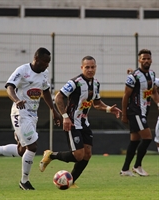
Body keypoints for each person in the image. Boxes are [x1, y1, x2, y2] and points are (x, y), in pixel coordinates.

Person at [0, 47, 61, 190]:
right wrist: (17, 100)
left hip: (33, 115)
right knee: (32, 147)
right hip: (20, 113)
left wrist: (53, 110)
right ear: (36, 59)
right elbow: (9, 87)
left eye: (48, 62)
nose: (47, 65)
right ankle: (24, 181)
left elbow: (45, 91)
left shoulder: (44, 73)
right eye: (45, 62)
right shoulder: (23, 71)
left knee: (21, 151)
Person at [39, 55, 122, 187]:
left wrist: (108, 109)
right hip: (72, 122)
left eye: (92, 67)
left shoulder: (96, 83)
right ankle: (51, 155)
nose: (90, 70)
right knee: (78, 155)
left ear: (96, 68)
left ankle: (70, 181)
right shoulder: (74, 82)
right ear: (82, 67)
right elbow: (58, 97)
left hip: (84, 123)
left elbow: (96, 103)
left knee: (87, 154)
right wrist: (65, 117)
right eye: (87, 67)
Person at [120, 49, 157, 177]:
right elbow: (125, 96)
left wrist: (158, 103)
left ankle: (125, 169)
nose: (146, 61)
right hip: (135, 111)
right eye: (143, 59)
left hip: (144, 111)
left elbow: (153, 92)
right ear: (139, 60)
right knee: (147, 138)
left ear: (151, 60)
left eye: (148, 58)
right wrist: (124, 114)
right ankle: (137, 166)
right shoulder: (133, 76)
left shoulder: (152, 75)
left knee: (135, 140)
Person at [127, 68, 159, 154]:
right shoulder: (152, 78)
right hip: (137, 110)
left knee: (142, 139)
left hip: (141, 111)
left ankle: (131, 166)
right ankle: (135, 165)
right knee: (154, 139)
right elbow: (149, 83)